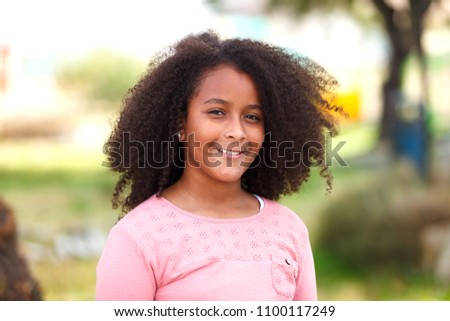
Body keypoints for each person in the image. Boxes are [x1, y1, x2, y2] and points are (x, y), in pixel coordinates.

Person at [95, 30, 342, 301]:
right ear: (180, 124)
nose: (237, 132)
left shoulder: (289, 229)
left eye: (252, 116)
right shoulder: (139, 238)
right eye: (217, 112)